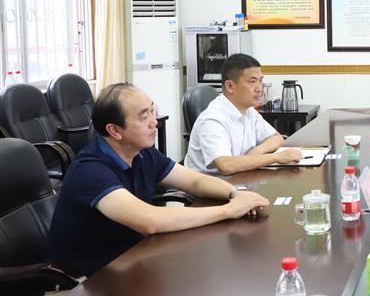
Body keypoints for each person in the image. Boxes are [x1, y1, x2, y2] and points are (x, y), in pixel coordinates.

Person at [48, 83, 270, 277]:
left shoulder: (143, 153)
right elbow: (149, 220)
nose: (154, 122)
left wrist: (235, 193)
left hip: (129, 263)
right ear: (114, 131)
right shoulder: (90, 170)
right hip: (80, 284)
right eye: (144, 116)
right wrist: (229, 210)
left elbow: (194, 182)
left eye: (152, 111)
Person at [184, 53, 300, 174]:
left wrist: (256, 153)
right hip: (211, 184)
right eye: (252, 81)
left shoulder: (248, 111)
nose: (259, 88)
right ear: (230, 86)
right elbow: (226, 165)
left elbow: (277, 138)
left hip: (240, 178)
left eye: (260, 81)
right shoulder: (212, 119)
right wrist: (276, 157)